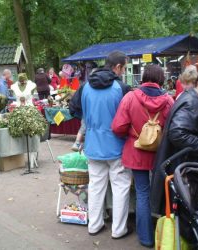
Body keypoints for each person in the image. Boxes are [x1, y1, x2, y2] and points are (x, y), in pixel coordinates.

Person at [111, 65, 174, 248]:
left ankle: (145, 238)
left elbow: (117, 127)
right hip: (161, 155)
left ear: (144, 77)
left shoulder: (130, 97)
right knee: (163, 192)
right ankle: (165, 234)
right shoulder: (169, 100)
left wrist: (131, 135)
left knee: (142, 193)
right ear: (161, 79)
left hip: (137, 151)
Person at [151, 65, 198, 216]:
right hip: (185, 172)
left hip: (186, 169)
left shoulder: (194, 99)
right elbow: (178, 134)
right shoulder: (191, 103)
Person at [81, 51, 132, 238]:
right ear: (117, 67)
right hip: (116, 146)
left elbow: (75, 109)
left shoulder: (85, 86)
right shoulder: (122, 88)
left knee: (95, 186)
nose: (124, 71)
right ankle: (119, 230)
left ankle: (94, 225)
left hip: (93, 145)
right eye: (124, 68)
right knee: (120, 187)